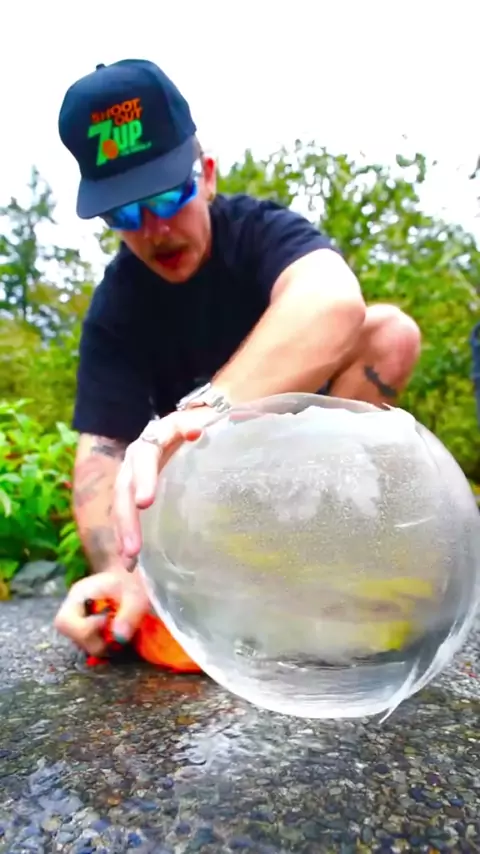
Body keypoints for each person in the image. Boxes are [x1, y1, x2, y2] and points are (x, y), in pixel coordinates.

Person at [53, 58, 421, 659]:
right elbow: (100, 456)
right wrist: (121, 571)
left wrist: (200, 412)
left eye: (167, 196)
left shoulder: (257, 230)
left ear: (206, 176)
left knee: (391, 332)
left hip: (303, 464)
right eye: (124, 214)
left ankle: (324, 544)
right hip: (205, 501)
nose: (154, 229)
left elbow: (333, 300)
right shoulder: (117, 306)